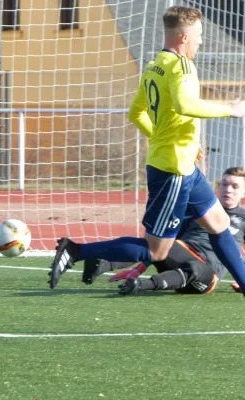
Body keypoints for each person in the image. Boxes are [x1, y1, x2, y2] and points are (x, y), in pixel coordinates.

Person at [48, 6, 245, 294]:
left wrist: (167, 139)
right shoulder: (181, 65)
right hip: (173, 171)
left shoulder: (155, 66)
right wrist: (231, 109)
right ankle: (76, 250)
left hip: (183, 164)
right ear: (183, 37)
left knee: (219, 222)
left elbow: (136, 113)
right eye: (199, 35)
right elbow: (184, 105)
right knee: (156, 251)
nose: (201, 41)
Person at [81, 167, 245, 296]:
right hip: (182, 254)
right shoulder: (201, 208)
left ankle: (142, 285)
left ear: (243, 192)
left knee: (196, 269)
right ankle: (101, 265)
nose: (228, 190)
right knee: (157, 243)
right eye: (224, 184)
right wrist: (139, 269)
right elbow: (161, 246)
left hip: (207, 276)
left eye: (234, 186)